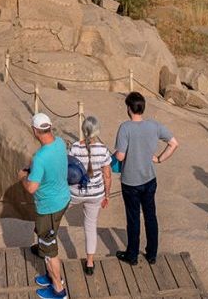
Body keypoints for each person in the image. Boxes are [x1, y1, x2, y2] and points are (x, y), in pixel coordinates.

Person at [114, 92, 178, 266]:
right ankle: (151, 254)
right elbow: (173, 143)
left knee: (133, 218)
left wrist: (111, 156)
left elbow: (120, 156)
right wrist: (159, 159)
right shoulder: (153, 126)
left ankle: (132, 255)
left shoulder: (125, 128)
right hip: (149, 178)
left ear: (129, 108)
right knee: (150, 216)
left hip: (130, 181)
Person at [18, 113, 69, 299]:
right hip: (63, 199)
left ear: (35, 130)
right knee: (49, 240)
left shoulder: (40, 157)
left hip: (48, 207)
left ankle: (58, 289)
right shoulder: (60, 143)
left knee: (49, 250)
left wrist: (23, 177)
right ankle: (50, 276)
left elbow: (31, 188)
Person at [69, 115, 113, 275]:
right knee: (90, 226)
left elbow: (69, 170)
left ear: (83, 130)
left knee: (56, 215)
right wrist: (106, 195)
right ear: (97, 131)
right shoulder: (103, 150)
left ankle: (45, 243)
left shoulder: (74, 147)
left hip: (75, 191)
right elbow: (107, 175)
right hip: (95, 194)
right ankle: (89, 262)